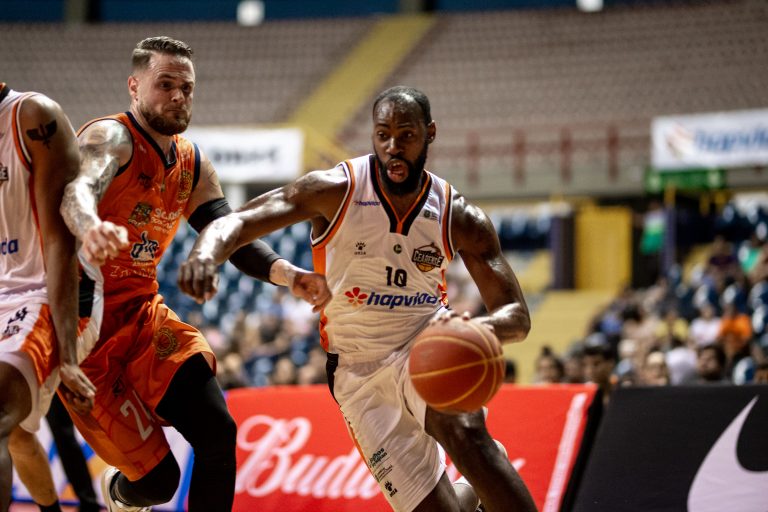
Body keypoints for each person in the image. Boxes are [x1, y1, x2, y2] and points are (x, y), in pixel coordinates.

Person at [179, 86, 536, 512]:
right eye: (383, 134)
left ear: (430, 133)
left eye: (406, 135)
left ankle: (481, 466)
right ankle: (472, 489)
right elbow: (236, 222)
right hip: (356, 370)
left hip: (426, 346)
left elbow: (516, 316)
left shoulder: (457, 214)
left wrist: (474, 330)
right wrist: (204, 254)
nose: (393, 147)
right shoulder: (334, 189)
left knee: (467, 436)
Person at [57, 37, 331, 512]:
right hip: (82, 332)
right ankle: (120, 495)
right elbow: (76, 191)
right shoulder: (111, 138)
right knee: (159, 482)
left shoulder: (192, 163)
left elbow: (229, 232)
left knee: (218, 433)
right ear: (134, 86)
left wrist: (290, 275)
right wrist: (90, 226)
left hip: (142, 316)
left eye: (186, 88)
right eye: (165, 85)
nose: (178, 96)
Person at [0, 84, 100, 512]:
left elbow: (60, 244)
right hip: (7, 291)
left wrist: (68, 357)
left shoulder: (31, 117)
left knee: (22, 422)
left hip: (54, 290)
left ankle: (92, 502)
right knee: (18, 435)